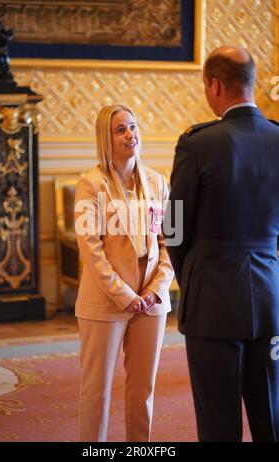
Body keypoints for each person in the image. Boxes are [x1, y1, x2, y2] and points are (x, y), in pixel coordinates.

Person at [165, 45, 279, 442]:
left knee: (218, 423)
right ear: (252, 82)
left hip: (211, 300)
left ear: (214, 85)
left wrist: (192, 277)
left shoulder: (198, 143)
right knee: (272, 417)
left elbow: (174, 229)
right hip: (270, 298)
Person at [74, 104, 174, 442]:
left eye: (133, 127)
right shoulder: (89, 184)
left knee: (143, 391)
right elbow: (91, 250)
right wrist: (125, 296)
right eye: (121, 129)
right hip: (105, 302)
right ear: (107, 138)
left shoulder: (160, 182)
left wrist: (156, 290)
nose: (131, 134)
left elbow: (172, 243)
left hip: (151, 302)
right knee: (97, 392)